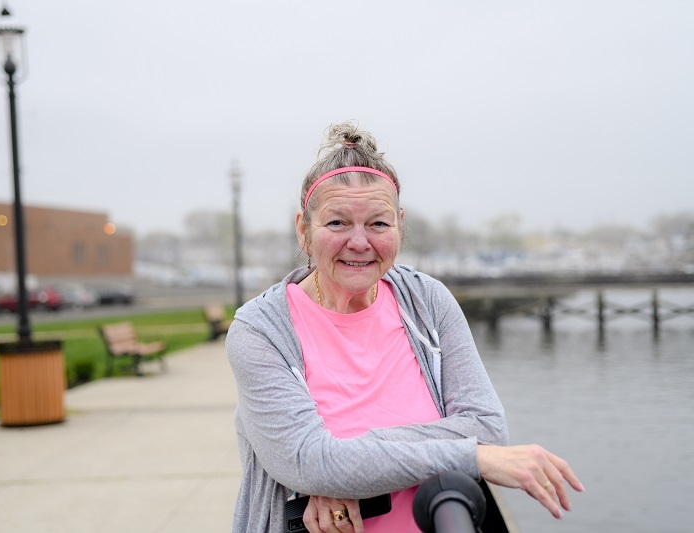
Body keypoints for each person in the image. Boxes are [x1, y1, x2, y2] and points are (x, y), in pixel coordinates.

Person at [225, 121, 583, 533]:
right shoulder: (261, 331)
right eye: (337, 223)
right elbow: (307, 460)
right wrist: (470, 456)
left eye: (378, 223)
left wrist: (345, 468)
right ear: (303, 231)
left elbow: (486, 427)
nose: (360, 242)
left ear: (399, 225)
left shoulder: (428, 301)